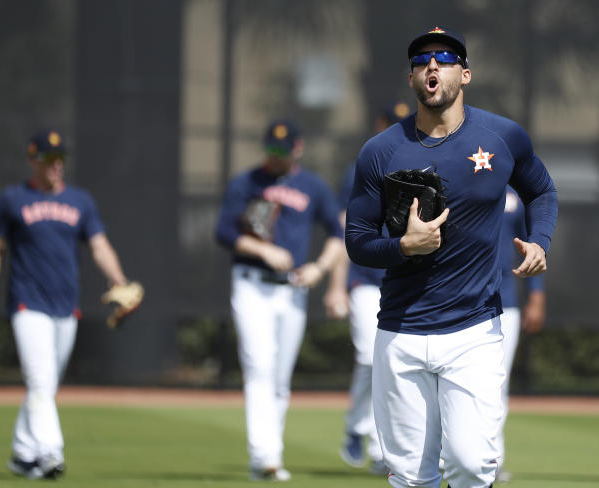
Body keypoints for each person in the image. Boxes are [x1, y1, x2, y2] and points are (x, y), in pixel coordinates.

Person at [344, 26, 557, 488]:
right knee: (410, 477)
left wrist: (539, 240)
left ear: (465, 73)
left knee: (469, 465)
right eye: (422, 60)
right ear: (412, 79)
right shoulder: (379, 151)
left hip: (474, 330)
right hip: (400, 330)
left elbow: (541, 190)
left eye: (444, 57)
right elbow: (357, 240)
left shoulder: (502, 137)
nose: (432, 65)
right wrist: (403, 245)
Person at [0, 129, 134, 480]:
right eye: (48, 158)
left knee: (44, 385)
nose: (56, 165)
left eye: (60, 158)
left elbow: (100, 246)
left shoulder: (80, 201)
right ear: (33, 160)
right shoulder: (14, 199)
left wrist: (118, 279)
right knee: (41, 379)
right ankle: (50, 453)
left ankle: (22, 453)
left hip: (66, 307)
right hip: (27, 303)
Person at [215, 119, 345, 481]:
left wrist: (319, 269)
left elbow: (337, 233)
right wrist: (262, 250)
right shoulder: (247, 183)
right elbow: (224, 230)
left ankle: (269, 455)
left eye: (282, 151)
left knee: (280, 379)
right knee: (259, 366)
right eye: (271, 150)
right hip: (252, 283)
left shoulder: (313, 186)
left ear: (297, 149)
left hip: (291, 290)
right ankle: (265, 456)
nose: (276, 157)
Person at [324, 101, 411, 476]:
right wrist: (337, 285)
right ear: (378, 124)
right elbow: (348, 227)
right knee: (368, 357)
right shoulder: (362, 166)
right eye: (389, 122)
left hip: (404, 281)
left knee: (390, 361)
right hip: (365, 280)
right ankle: (358, 430)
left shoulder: (424, 163)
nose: (394, 128)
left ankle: (376, 445)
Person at [496, 186, 546, 482]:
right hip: (455, 299)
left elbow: (531, 245)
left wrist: (536, 296)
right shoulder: (455, 172)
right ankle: (437, 453)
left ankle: (490, 458)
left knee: (497, 381)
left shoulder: (515, 193)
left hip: (505, 299)